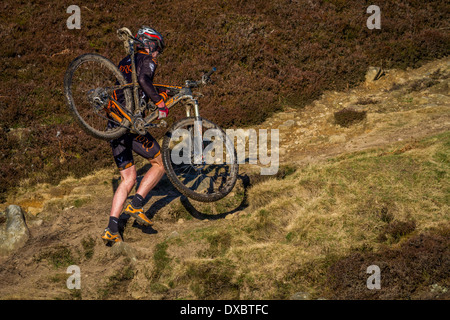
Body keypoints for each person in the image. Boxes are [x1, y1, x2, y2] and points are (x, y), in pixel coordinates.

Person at [101, 26, 169, 244]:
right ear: (149, 44)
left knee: (128, 178)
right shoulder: (147, 59)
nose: (157, 53)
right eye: (157, 48)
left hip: (113, 123)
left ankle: (112, 227)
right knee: (159, 163)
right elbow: (143, 80)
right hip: (128, 123)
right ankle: (137, 203)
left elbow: (133, 87)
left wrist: (155, 95)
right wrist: (160, 103)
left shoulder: (124, 60)